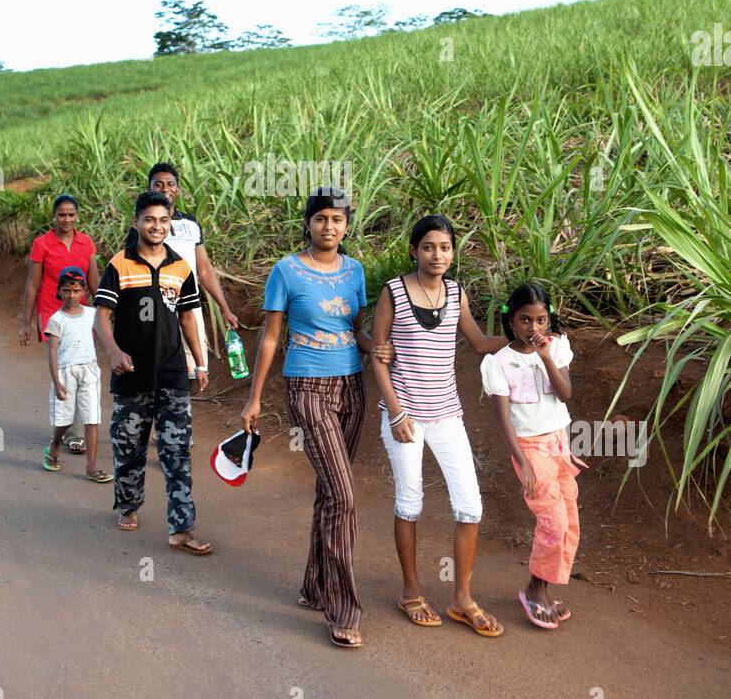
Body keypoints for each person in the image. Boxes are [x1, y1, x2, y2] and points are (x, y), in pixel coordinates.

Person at [240, 187, 371, 649]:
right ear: (308, 224)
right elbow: (271, 338)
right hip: (307, 387)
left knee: (329, 494)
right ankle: (343, 608)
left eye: (337, 220)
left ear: (347, 226)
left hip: (352, 386)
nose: (329, 227)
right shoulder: (285, 271)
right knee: (344, 496)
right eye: (320, 219)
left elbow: (355, 330)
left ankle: (313, 586)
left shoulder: (356, 271)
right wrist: (254, 398)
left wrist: (378, 347)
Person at [371, 214, 506, 635]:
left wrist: (528, 341)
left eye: (445, 247)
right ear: (414, 250)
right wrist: (395, 412)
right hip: (405, 413)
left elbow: (481, 343)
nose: (437, 255)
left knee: (470, 505)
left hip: (447, 412)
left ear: (453, 252)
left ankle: (462, 599)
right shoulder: (393, 291)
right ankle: (411, 592)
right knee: (410, 503)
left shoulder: (456, 292)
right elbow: (379, 355)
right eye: (428, 247)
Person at [95, 192, 213, 549]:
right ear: (137, 223)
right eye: (149, 220)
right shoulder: (120, 264)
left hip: (173, 373)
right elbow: (101, 316)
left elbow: (189, 317)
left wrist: (200, 361)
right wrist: (113, 351)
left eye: (163, 220)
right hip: (131, 375)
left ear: (170, 222)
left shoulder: (180, 267)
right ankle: (128, 504)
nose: (156, 226)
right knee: (128, 447)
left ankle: (182, 528)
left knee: (176, 452)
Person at [480, 282, 587, 629]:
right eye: (525, 320)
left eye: (541, 320)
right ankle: (532, 591)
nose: (534, 329)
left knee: (569, 520)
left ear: (548, 321)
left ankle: (543, 589)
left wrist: (545, 357)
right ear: (511, 320)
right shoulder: (499, 363)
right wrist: (522, 462)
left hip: (559, 445)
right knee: (552, 521)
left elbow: (566, 393)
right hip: (530, 449)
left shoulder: (556, 350)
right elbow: (503, 420)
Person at [132, 163, 240, 381]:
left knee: (194, 369)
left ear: (178, 189)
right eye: (158, 184)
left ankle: (182, 413)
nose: (165, 188)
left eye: (171, 184)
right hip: (156, 307)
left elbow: (204, 269)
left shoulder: (191, 223)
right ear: (150, 189)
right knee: (159, 371)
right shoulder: (143, 226)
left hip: (189, 304)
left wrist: (225, 308)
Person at [19, 194, 99, 456]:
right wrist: (25, 323)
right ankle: (74, 433)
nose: (66, 219)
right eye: (61, 214)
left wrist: (103, 316)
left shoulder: (86, 242)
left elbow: (95, 282)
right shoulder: (42, 244)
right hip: (52, 315)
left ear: (77, 216)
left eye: (71, 214)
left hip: (81, 315)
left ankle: (66, 428)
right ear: (54, 216)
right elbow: (32, 284)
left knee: (80, 367)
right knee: (65, 369)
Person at [42, 266, 111, 482]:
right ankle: (54, 445)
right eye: (66, 291)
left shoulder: (92, 314)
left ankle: (91, 467)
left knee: (92, 418)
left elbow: (107, 334)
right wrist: (57, 381)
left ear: (84, 292)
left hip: (89, 370)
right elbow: (52, 352)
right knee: (65, 419)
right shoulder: (56, 319)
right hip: (65, 372)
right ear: (59, 292)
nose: (71, 296)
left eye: (76, 291)